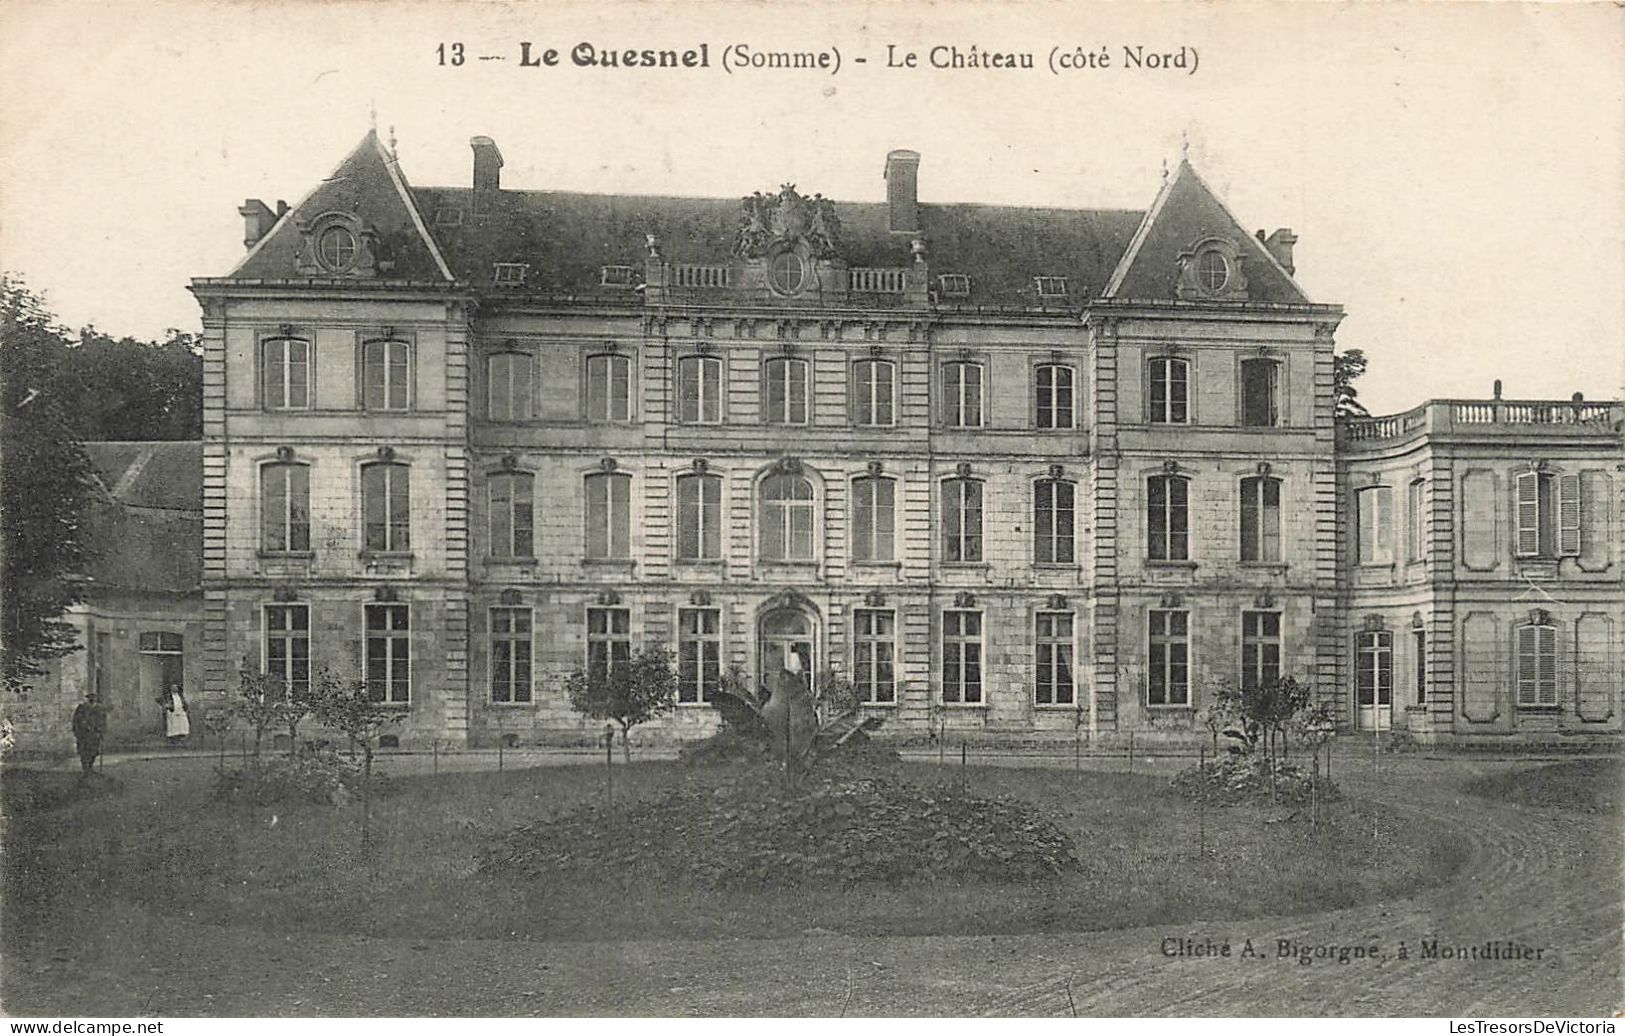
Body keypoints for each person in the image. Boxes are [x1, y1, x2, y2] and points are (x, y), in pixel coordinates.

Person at [71, 692, 108, 775]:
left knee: (94, 751)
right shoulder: (82, 708)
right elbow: (76, 720)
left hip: (95, 734)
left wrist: (102, 731)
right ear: (88, 699)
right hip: (84, 734)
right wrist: (77, 731)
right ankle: (85, 768)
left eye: (94, 697)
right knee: (84, 751)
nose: (92, 699)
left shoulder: (100, 708)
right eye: (90, 698)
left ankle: (90, 766)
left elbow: (103, 721)